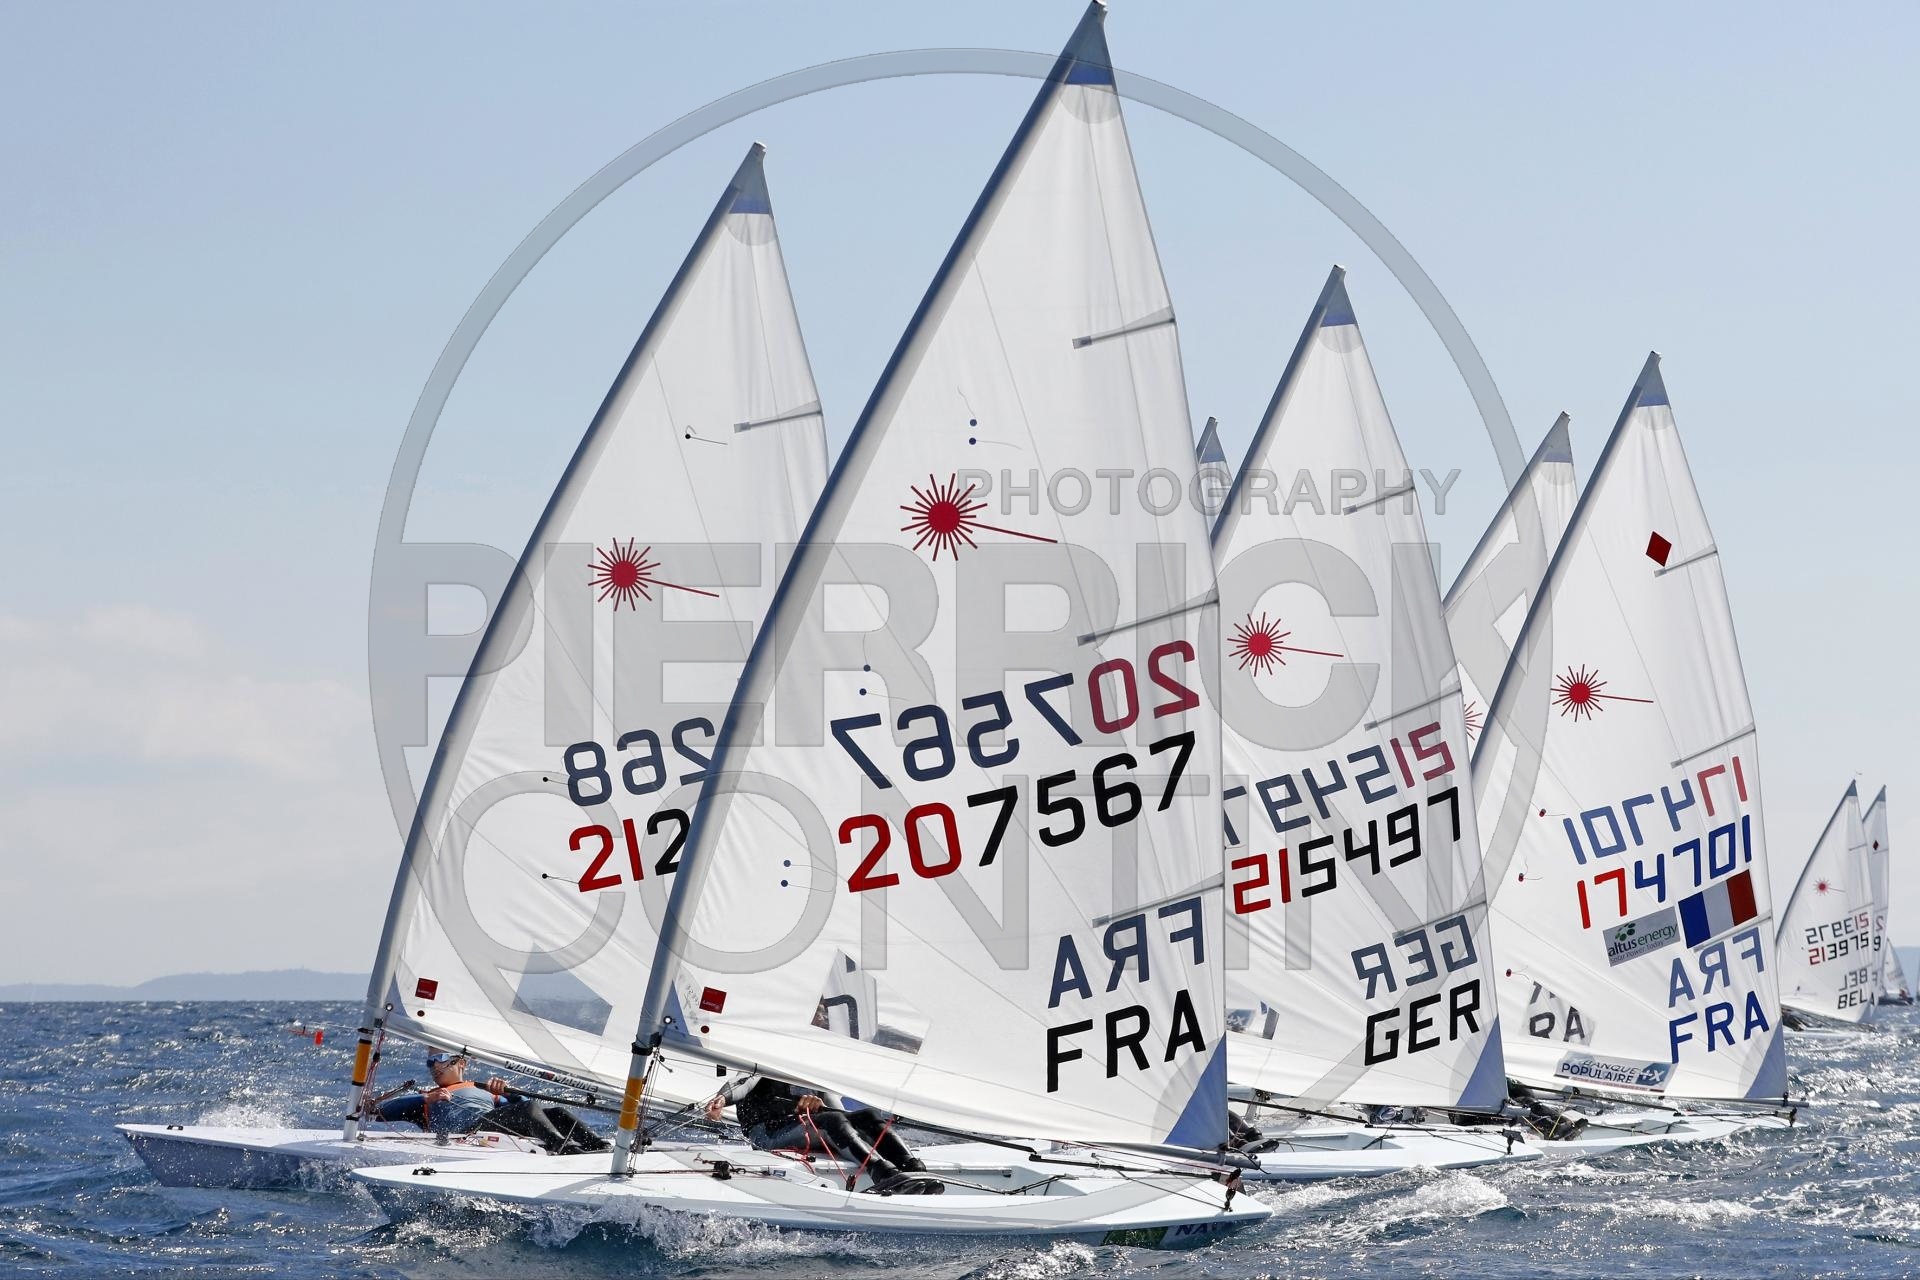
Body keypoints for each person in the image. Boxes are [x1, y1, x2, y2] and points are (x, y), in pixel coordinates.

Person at [704, 1075, 941, 1195]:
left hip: (804, 1128)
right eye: (817, 1013)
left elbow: (837, 1109)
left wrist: (850, 1121)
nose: (821, 1017)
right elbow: (743, 1081)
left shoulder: (810, 1061)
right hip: (767, 1133)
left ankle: (916, 1172)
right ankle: (887, 1176)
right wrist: (722, 1098)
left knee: (868, 1116)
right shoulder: (768, 1051)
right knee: (833, 1121)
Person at [367, 1050, 608, 1154]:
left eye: (439, 1059)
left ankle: (599, 1146)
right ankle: (564, 1148)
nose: (434, 1066)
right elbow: (377, 1113)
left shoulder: (482, 1089)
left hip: (493, 1131)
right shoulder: (427, 1099)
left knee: (556, 1112)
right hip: (465, 1135)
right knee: (526, 1108)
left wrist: (511, 1094)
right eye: (430, 1063)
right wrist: (426, 1098)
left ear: (461, 1063)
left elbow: (530, 1111)